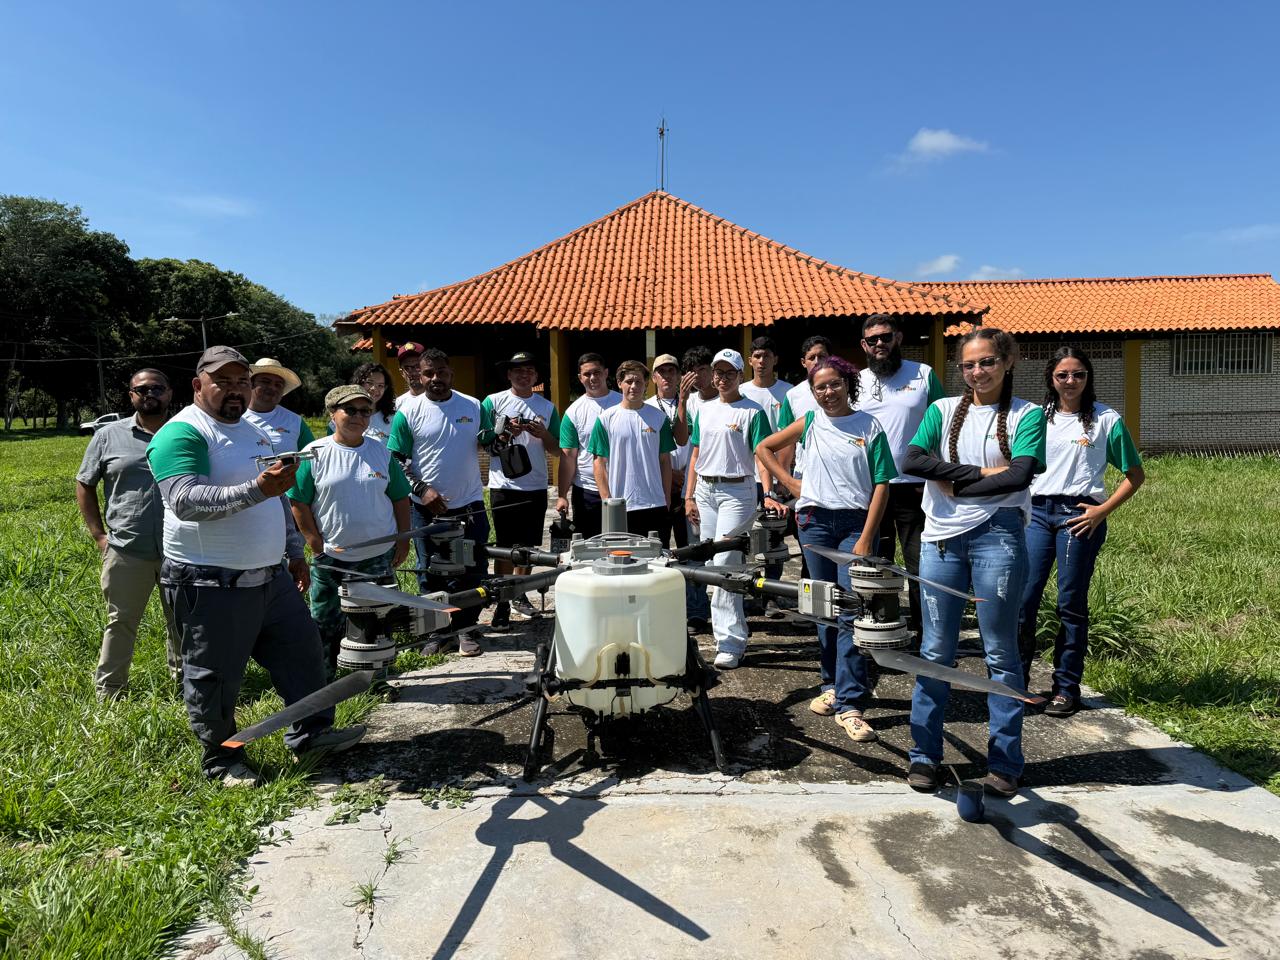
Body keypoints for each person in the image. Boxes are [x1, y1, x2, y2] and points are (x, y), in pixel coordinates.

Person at [147, 346, 365, 787]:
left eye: (241, 381)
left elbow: (278, 495)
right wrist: (256, 490)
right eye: (222, 381)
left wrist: (293, 550)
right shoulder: (182, 433)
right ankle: (221, 760)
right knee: (215, 678)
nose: (235, 389)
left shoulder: (254, 432)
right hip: (209, 581)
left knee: (303, 657)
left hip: (270, 576)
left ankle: (312, 734)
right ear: (198, 385)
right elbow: (185, 500)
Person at [900, 326, 1046, 798]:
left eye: (987, 362)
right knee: (935, 650)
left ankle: (1004, 763)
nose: (977, 371)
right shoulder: (942, 411)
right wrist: (981, 474)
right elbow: (911, 460)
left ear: (1007, 362)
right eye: (968, 364)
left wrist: (957, 486)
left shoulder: (1027, 414)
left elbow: (1020, 474)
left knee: (1000, 652)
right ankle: (924, 756)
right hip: (941, 539)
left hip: (998, 536)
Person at [756, 356, 896, 742]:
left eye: (835, 384)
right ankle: (830, 685)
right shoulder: (810, 422)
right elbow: (764, 448)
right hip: (814, 523)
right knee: (822, 608)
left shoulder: (869, 425)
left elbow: (882, 484)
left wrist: (867, 536)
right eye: (820, 387)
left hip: (855, 525)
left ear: (848, 384)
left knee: (851, 610)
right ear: (813, 392)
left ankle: (850, 704)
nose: (828, 392)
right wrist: (791, 484)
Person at [1018, 347, 1144, 716]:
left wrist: (1102, 511)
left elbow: (1135, 475)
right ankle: (1015, 684)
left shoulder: (1105, 419)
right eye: (1063, 375)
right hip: (1037, 514)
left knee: (1070, 603)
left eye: (1079, 374)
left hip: (1080, 515)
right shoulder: (1036, 417)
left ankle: (1066, 688)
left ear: (1088, 378)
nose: (1071, 381)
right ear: (1051, 378)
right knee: (1023, 601)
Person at [289, 385, 413, 681]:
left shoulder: (380, 452)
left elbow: (400, 498)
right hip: (332, 557)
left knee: (377, 620)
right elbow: (298, 501)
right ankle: (325, 683)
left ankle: (377, 679)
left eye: (365, 411)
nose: (359, 417)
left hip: (377, 556)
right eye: (350, 410)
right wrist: (314, 542)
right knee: (325, 622)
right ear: (332, 413)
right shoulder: (313, 454)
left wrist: (403, 539)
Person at [75, 368, 182, 699]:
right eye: (141, 389)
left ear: (169, 392)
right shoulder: (108, 436)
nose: (149, 394)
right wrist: (99, 536)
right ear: (131, 395)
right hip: (126, 548)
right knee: (120, 622)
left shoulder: (186, 431)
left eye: (157, 388)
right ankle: (110, 691)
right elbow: (84, 483)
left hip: (181, 547)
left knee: (183, 622)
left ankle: (186, 685)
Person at [387, 348, 490, 656]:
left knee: (472, 568)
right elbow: (395, 460)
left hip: (470, 505)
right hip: (425, 507)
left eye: (441, 372)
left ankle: (466, 628)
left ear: (451, 373)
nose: (435, 378)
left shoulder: (473, 406)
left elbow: (489, 443)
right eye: (428, 373)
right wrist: (421, 489)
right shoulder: (408, 412)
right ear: (419, 375)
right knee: (429, 570)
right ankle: (437, 631)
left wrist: (501, 437)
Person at [855, 315, 945, 643]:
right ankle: (883, 629)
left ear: (898, 338)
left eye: (886, 336)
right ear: (864, 345)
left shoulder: (923, 375)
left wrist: (944, 475)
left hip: (915, 487)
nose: (880, 343)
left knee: (920, 564)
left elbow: (943, 425)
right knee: (875, 564)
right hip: (871, 488)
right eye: (873, 339)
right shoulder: (857, 381)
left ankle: (926, 635)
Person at [685, 348, 771, 669]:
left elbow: (762, 454)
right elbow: (695, 453)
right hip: (705, 489)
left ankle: (731, 643)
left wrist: (768, 492)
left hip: (737, 491)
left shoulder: (752, 412)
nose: (722, 379)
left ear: (740, 376)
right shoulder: (703, 409)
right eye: (718, 372)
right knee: (711, 564)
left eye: (729, 373)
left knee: (726, 564)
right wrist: (689, 496)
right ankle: (728, 631)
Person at [481, 351, 561, 631]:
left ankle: (520, 593)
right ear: (508, 374)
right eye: (517, 370)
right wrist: (506, 433)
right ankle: (503, 601)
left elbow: (556, 449)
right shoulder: (492, 402)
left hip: (535, 485)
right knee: (505, 548)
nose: (523, 375)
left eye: (529, 371)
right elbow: (484, 441)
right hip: (504, 484)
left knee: (528, 547)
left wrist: (543, 434)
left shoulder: (547, 407)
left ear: (536, 376)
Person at [589, 360, 676, 541]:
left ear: (646, 384)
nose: (634, 386)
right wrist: (607, 500)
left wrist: (666, 497)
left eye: (639, 381)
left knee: (657, 557)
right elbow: (599, 463)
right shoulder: (605, 419)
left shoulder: (659, 418)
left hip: (655, 503)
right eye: (629, 381)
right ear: (619, 383)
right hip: (619, 506)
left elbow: (665, 461)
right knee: (621, 557)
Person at [738, 336, 792, 616]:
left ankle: (771, 594)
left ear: (775, 360)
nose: (761, 361)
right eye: (757, 356)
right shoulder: (741, 392)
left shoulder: (788, 393)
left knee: (774, 539)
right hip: (747, 475)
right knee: (744, 537)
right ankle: (743, 591)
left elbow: (790, 439)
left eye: (766, 356)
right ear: (750, 361)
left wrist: (783, 476)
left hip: (779, 476)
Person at [556, 353, 621, 539]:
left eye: (597, 372)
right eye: (587, 374)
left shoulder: (623, 403)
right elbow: (568, 457)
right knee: (590, 546)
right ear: (580, 377)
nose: (592, 378)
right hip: (588, 491)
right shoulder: (573, 412)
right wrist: (562, 495)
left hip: (622, 487)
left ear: (606, 373)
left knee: (623, 544)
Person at [676, 346, 718, 632]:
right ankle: (697, 611)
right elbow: (682, 440)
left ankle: (732, 611)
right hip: (698, 485)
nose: (699, 377)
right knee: (695, 554)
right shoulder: (690, 402)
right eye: (693, 373)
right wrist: (681, 400)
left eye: (703, 370)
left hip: (730, 488)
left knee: (730, 553)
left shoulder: (731, 397)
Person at [646, 353, 693, 546]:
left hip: (688, 484)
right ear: (654, 378)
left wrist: (685, 475)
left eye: (671, 371)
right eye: (661, 371)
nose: (666, 375)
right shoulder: (646, 407)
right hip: (659, 483)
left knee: (689, 544)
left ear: (679, 376)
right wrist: (669, 473)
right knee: (659, 542)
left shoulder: (692, 403)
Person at [243, 357, 315, 452]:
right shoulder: (232, 417)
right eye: (266, 382)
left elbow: (312, 457)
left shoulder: (295, 422)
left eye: (278, 385)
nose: (272, 387)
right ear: (251, 383)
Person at [328, 362, 396, 443]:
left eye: (380, 385)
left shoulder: (393, 419)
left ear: (386, 388)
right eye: (369, 383)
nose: (374, 389)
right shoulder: (341, 416)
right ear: (359, 383)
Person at [395, 342, 427, 409]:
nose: (414, 372)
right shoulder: (398, 405)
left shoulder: (440, 399)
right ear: (402, 373)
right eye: (407, 368)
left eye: (418, 366)